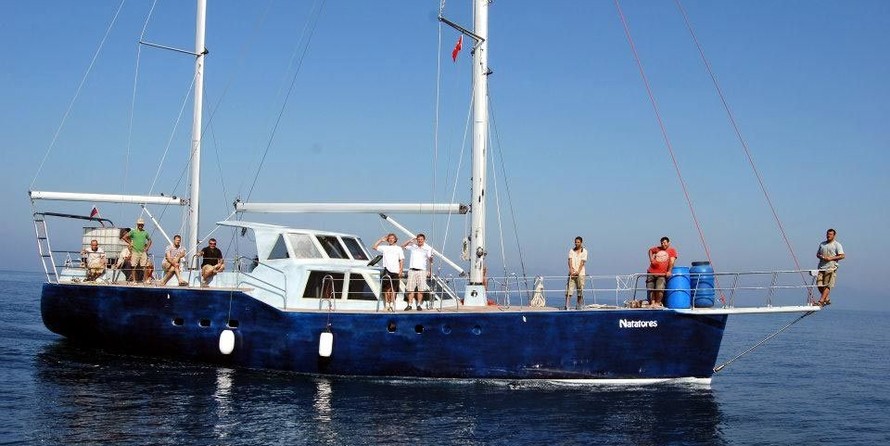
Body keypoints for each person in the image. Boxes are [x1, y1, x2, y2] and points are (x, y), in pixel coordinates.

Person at [373, 233, 404, 312]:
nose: (390, 239)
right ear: (387, 240)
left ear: (395, 239)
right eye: (389, 238)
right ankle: (387, 305)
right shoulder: (385, 248)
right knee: (386, 289)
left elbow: (401, 260)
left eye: (392, 238)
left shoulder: (399, 248)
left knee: (394, 289)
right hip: (387, 270)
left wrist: (400, 270)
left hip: (395, 271)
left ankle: (393, 305)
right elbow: (374, 247)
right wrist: (381, 240)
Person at [402, 234, 433, 311]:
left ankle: (419, 305)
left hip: (422, 271)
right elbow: (403, 246)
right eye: (418, 239)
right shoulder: (413, 246)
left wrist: (430, 270)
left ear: (424, 240)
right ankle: (409, 305)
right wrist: (410, 240)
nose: (420, 240)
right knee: (410, 289)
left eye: (421, 239)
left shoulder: (428, 248)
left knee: (421, 289)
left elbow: (430, 260)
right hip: (412, 270)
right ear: (417, 240)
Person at [815, 228, 845, 307]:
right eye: (827, 234)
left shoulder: (837, 245)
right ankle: (826, 299)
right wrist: (821, 256)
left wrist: (831, 258)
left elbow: (842, 256)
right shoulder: (822, 244)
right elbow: (817, 254)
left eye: (830, 234)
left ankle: (821, 301)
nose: (828, 235)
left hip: (831, 267)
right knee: (819, 284)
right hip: (821, 267)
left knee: (827, 285)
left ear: (834, 235)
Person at [646, 236, 678, 308]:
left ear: (668, 243)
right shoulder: (657, 248)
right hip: (651, 271)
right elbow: (650, 250)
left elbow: (672, 261)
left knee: (660, 288)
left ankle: (658, 303)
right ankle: (652, 303)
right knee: (650, 288)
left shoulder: (672, 250)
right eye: (662, 243)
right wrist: (651, 259)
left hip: (661, 273)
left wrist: (669, 271)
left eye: (665, 243)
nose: (663, 244)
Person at [122, 218, 152, 284]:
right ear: (137, 224)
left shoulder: (145, 232)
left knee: (145, 266)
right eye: (139, 224)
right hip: (135, 251)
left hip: (143, 252)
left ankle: (146, 280)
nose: (140, 225)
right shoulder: (133, 231)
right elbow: (124, 237)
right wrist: (130, 243)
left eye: (141, 224)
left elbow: (150, 240)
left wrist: (147, 248)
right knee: (133, 266)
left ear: (143, 225)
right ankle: (134, 281)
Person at [565, 236, 588, 310]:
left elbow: (582, 262)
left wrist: (578, 271)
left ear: (581, 242)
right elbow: (569, 260)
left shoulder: (584, 251)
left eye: (578, 242)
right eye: (575, 242)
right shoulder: (571, 250)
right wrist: (571, 270)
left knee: (580, 290)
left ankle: (578, 305)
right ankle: (567, 305)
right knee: (569, 290)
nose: (576, 243)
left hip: (580, 273)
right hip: (572, 273)